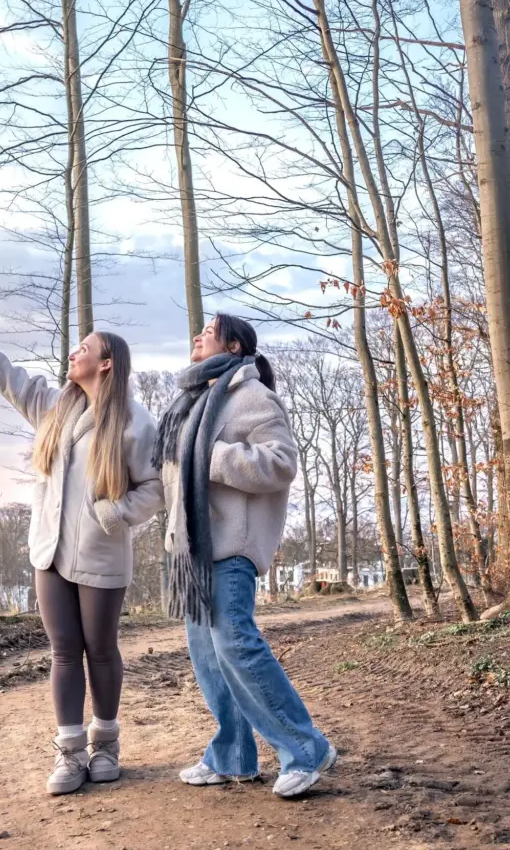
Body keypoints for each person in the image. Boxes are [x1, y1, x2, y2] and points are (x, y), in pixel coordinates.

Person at [0, 291, 163, 796]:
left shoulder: (134, 421)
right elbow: (8, 378)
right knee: (63, 652)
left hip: (101, 551)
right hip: (49, 552)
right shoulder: (55, 407)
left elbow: (154, 488)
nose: (73, 352)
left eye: (85, 348)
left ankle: (106, 745)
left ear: (106, 364)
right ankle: (70, 752)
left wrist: (115, 514)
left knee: (100, 650)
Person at [153, 313, 336, 798]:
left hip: (231, 545)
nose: (198, 335)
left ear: (233, 346)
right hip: (192, 553)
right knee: (209, 658)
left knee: (236, 645)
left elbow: (281, 463)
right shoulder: (191, 402)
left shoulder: (252, 395)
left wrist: (211, 457)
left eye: (209, 331)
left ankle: (306, 749)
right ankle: (232, 756)